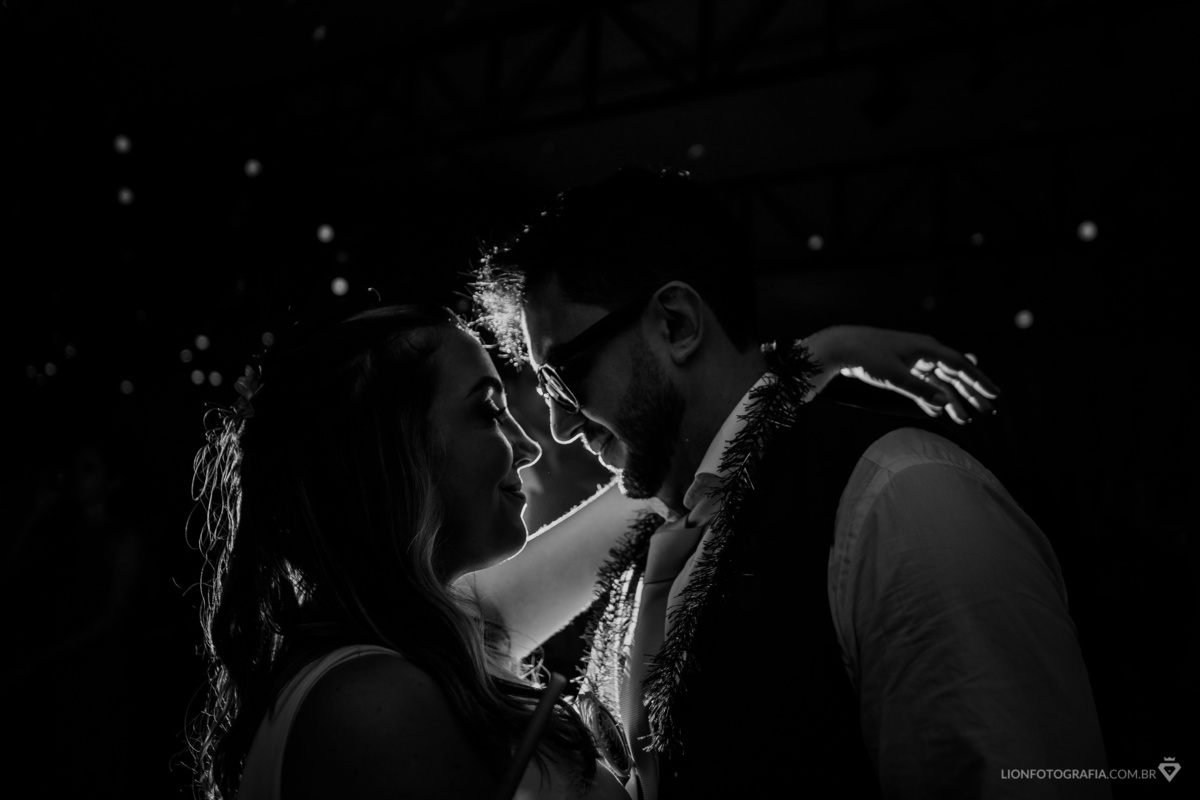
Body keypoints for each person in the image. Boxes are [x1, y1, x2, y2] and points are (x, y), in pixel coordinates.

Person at [187, 293, 997, 798]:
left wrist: (823, 355)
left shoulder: (424, 641)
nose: (529, 445)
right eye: (486, 409)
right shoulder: (377, 706)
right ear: (389, 454)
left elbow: (667, 478)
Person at [472, 166, 1111, 799]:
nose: (557, 428)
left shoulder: (903, 496)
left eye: (564, 378)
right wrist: (811, 363)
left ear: (677, 324)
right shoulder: (655, 546)